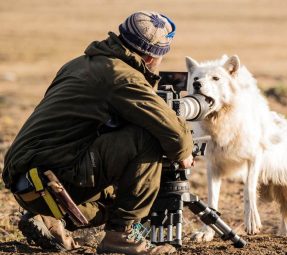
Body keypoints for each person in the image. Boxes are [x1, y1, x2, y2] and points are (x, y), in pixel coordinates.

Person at [2, 11, 194, 255]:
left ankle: (49, 219)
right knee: (147, 140)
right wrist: (184, 153)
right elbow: (175, 135)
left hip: (28, 182)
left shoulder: (79, 63)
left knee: (124, 191)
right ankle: (122, 235)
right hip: (52, 179)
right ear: (150, 57)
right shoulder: (122, 76)